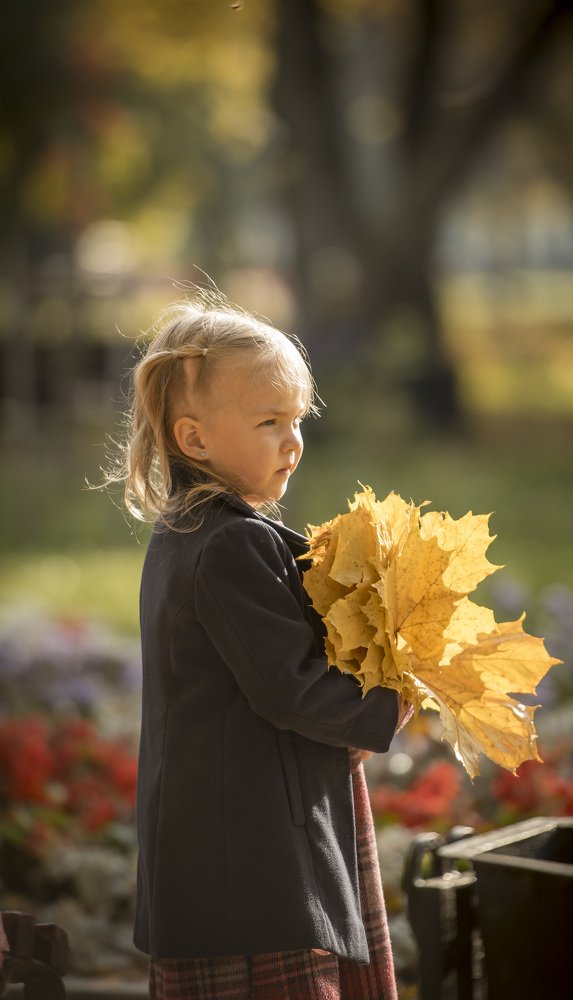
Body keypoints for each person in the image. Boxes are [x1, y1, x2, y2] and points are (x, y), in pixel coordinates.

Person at [112, 292, 404, 999]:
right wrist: (381, 709)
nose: (291, 441)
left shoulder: (191, 534)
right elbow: (284, 686)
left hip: (227, 844)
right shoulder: (230, 545)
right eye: (268, 421)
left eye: (296, 420)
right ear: (194, 439)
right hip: (252, 853)